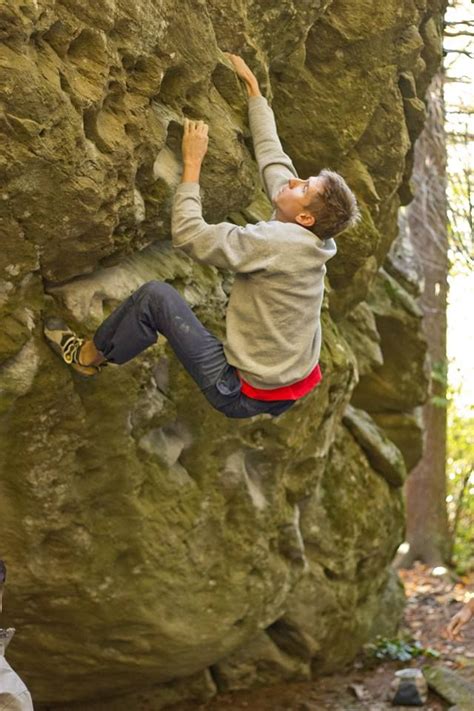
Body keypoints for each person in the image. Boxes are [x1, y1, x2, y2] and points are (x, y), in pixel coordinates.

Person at [44, 53, 360, 419]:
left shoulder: (276, 242)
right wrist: (254, 93)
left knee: (155, 298)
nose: (293, 180)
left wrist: (192, 163)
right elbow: (276, 163)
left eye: (303, 186)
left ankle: (86, 357)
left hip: (241, 391)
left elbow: (191, 235)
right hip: (290, 381)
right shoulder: (314, 235)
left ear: (304, 216)